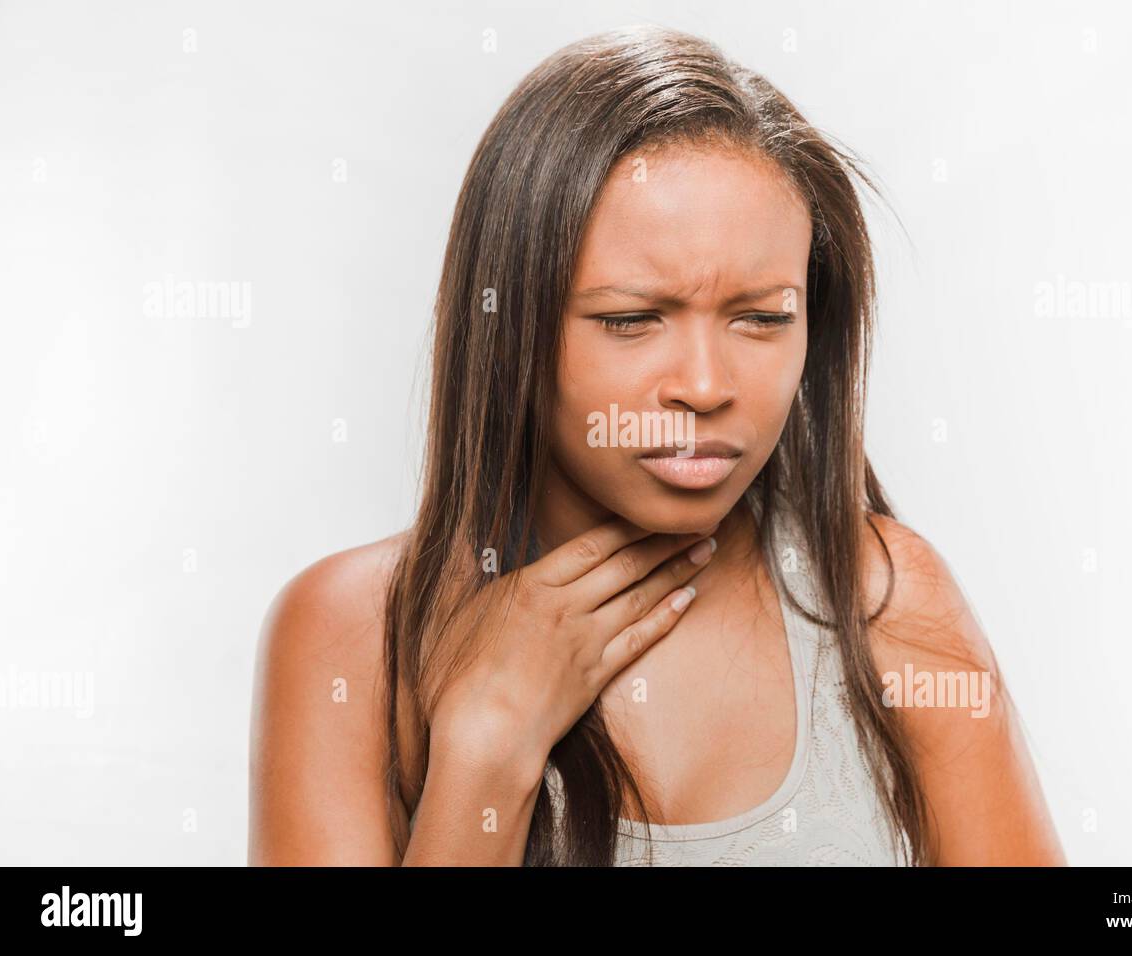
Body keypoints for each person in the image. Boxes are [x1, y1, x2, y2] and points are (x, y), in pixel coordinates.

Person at [248, 25, 1066, 866]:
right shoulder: (352, 636)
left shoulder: (883, 599)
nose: (706, 386)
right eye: (631, 320)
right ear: (510, 327)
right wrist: (489, 747)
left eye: (762, 318)